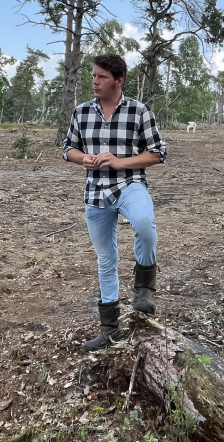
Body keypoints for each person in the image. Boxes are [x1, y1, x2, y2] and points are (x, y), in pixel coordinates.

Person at [62, 54, 167, 352]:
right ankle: (109, 328)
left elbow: (158, 153)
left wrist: (120, 162)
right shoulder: (82, 112)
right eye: (94, 76)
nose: (95, 81)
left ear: (118, 80)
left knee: (145, 224)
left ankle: (144, 288)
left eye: (102, 77)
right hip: (95, 192)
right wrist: (83, 158)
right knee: (106, 260)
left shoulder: (139, 111)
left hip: (129, 184)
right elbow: (68, 148)